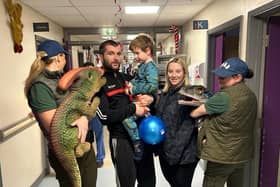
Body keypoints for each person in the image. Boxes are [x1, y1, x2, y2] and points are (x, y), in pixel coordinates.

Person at [24, 40, 97, 187]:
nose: (65, 60)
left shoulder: (61, 79)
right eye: (64, 57)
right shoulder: (40, 87)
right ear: (58, 58)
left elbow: (77, 104)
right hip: (67, 152)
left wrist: (83, 116)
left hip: (82, 146)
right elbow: (57, 129)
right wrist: (82, 116)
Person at [96, 40, 156, 187]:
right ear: (101, 56)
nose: (116, 58)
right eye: (110, 53)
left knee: (148, 182)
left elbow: (147, 92)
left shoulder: (127, 78)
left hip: (142, 135)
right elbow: (104, 116)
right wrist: (133, 109)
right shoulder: (98, 83)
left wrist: (151, 98)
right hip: (122, 140)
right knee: (126, 183)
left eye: (118, 54)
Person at [190, 57, 258, 187]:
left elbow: (195, 113)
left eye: (223, 77)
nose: (219, 79)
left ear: (238, 77)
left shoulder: (224, 96)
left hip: (221, 155)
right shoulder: (251, 95)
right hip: (241, 154)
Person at [155, 57, 198, 187]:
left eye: (178, 71)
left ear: (184, 73)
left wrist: (172, 155)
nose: (173, 75)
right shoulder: (164, 94)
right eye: (170, 71)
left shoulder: (190, 95)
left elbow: (187, 128)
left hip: (184, 156)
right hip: (166, 153)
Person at [122, 34, 159, 160]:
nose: (136, 57)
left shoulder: (151, 67)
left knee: (127, 120)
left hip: (144, 101)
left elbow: (152, 86)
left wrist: (133, 89)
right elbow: (139, 80)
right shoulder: (143, 66)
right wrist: (131, 83)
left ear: (148, 51)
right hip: (138, 99)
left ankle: (137, 143)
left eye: (137, 53)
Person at [83, 62, 105, 168]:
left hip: (96, 112)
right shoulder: (80, 83)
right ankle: (88, 157)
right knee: (86, 136)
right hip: (85, 113)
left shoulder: (98, 82)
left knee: (99, 135)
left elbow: (101, 97)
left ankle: (100, 158)